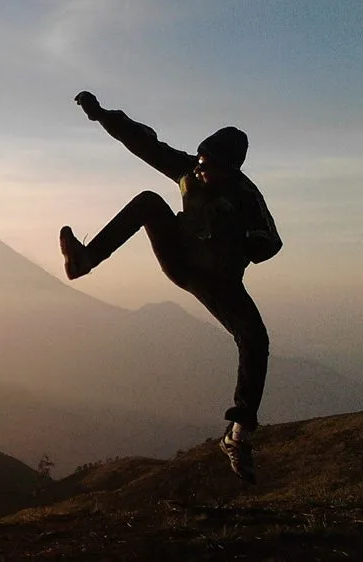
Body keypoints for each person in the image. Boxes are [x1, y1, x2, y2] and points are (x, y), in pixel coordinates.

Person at [60, 91, 282, 484]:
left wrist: (243, 240)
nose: (200, 171)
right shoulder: (188, 170)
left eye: (210, 167)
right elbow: (145, 142)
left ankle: (238, 435)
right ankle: (85, 260)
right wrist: (100, 115)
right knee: (148, 201)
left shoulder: (247, 197)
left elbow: (271, 243)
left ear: (231, 171)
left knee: (255, 339)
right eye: (200, 162)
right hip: (180, 260)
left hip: (218, 280)